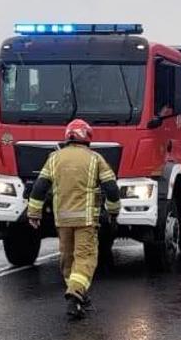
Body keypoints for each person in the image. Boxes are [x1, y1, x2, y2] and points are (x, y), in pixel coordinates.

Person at [25, 119, 121, 320]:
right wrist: (113, 211)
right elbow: (111, 188)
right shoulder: (95, 159)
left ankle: (77, 299)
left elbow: (39, 187)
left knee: (67, 259)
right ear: (87, 137)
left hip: (63, 221)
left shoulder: (54, 158)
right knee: (85, 258)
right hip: (86, 220)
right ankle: (76, 292)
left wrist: (34, 213)